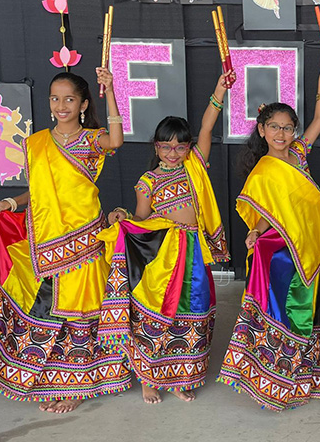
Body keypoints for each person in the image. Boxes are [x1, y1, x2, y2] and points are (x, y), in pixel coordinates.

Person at [0, 68, 129, 413]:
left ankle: (77, 387)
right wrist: (11, 202)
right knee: (49, 311)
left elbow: (115, 141)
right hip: (48, 241)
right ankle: (53, 378)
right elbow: (37, 192)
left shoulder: (90, 141)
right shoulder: (36, 142)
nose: (61, 105)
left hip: (84, 242)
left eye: (69, 99)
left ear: (83, 103)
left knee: (79, 314)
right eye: (55, 98)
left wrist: (110, 90)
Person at [100, 72, 233, 404]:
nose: (173, 152)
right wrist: (122, 216)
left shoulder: (194, 166)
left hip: (194, 253)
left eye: (179, 146)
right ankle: (150, 378)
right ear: (156, 147)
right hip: (164, 256)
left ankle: (182, 376)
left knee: (196, 313)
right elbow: (141, 219)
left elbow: (206, 127)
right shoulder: (148, 180)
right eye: (165, 145)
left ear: (188, 148)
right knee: (159, 317)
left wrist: (219, 88)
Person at [218, 60, 320, 411]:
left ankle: (310, 376)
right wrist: (254, 233)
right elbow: (264, 217)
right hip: (283, 255)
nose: (282, 134)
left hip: (315, 247)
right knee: (287, 314)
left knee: (314, 313)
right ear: (261, 129)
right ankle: (276, 383)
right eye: (275, 127)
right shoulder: (262, 171)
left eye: (288, 128)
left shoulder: (299, 154)